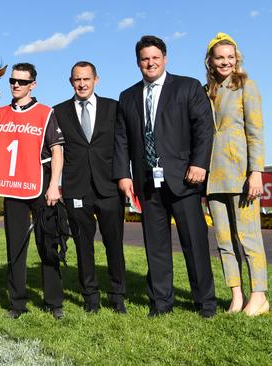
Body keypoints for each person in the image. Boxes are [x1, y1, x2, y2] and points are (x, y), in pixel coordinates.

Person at [113, 35, 217, 318]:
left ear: (165, 59)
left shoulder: (188, 87)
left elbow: (204, 128)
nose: (150, 63)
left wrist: (199, 164)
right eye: (145, 59)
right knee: (155, 246)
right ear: (138, 63)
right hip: (147, 182)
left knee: (194, 243)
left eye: (155, 57)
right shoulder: (128, 96)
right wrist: (124, 175)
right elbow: (121, 139)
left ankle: (205, 303)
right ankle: (161, 303)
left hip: (184, 179)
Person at [0, 63, 65, 319]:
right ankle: (17, 303)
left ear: (33, 85)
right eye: (13, 81)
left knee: (47, 245)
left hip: (41, 185)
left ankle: (54, 302)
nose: (16, 85)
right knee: (15, 247)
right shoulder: (0, 113)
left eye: (22, 82)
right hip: (13, 187)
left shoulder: (45, 112)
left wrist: (54, 186)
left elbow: (58, 151)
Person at [52, 61, 127, 313]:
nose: (82, 84)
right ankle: (90, 298)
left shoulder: (113, 108)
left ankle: (117, 297)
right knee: (83, 246)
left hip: (109, 188)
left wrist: (124, 178)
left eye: (86, 79)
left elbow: (122, 146)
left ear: (96, 79)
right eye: (77, 79)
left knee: (114, 245)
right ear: (70, 82)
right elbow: (55, 151)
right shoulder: (58, 112)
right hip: (76, 188)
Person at [204, 33, 268, 316]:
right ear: (211, 61)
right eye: (220, 57)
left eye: (231, 57)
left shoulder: (247, 87)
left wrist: (256, 172)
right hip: (213, 178)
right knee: (224, 241)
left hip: (241, 176)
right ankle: (236, 296)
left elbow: (256, 134)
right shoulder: (207, 92)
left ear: (237, 59)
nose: (226, 62)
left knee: (248, 237)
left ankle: (259, 295)